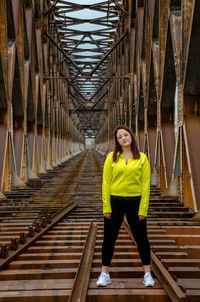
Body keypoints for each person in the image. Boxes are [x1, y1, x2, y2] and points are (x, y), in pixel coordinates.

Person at [96, 125, 155, 287]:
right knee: (109, 238)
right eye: (120, 137)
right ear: (117, 141)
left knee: (142, 238)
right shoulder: (111, 157)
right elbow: (106, 183)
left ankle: (147, 274)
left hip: (135, 202)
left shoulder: (142, 158)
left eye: (125, 135)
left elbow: (145, 185)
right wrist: (106, 206)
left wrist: (143, 209)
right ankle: (104, 274)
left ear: (131, 136)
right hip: (115, 202)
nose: (123, 138)